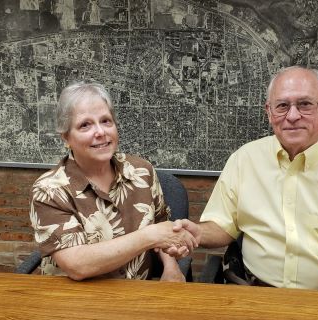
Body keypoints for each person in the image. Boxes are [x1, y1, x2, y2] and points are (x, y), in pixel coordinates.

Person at [171, 66, 318, 291]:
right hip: (252, 294)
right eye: (282, 106)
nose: (293, 116)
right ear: (269, 111)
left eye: (305, 104)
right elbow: (224, 226)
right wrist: (198, 233)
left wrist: (316, 317)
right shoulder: (244, 160)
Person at [29, 80, 196, 281]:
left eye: (106, 121)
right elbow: (77, 265)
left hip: (138, 298)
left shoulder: (142, 171)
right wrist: (149, 236)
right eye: (85, 125)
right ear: (66, 138)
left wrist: (171, 268)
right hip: (75, 302)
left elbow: (161, 223)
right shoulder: (49, 190)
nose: (100, 132)